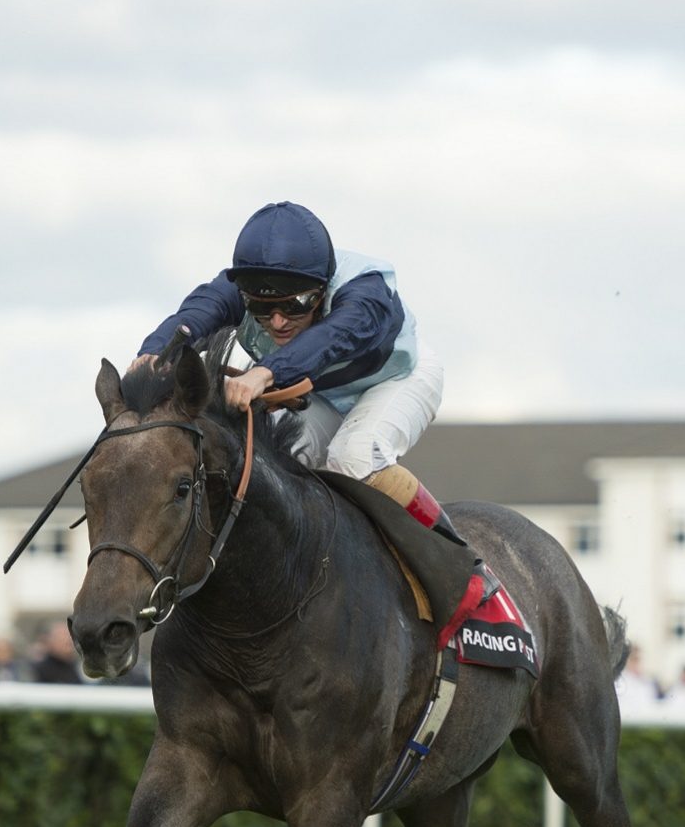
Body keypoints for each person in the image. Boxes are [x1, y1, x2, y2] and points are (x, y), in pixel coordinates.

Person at [131, 200, 496, 613]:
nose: (278, 321)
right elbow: (198, 312)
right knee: (278, 468)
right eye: (262, 307)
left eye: (297, 304)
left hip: (398, 378)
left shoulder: (367, 292)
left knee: (353, 458)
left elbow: (328, 340)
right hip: (323, 390)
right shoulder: (242, 290)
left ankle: (462, 564)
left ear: (322, 288)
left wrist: (265, 373)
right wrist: (154, 353)